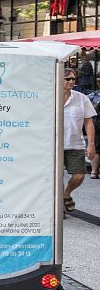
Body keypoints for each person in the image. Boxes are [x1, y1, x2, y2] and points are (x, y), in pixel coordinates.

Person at [62, 68, 95, 211]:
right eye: (67, 79)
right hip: (51, 145)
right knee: (52, 179)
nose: (71, 82)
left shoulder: (82, 98)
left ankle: (66, 194)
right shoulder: (49, 97)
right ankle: (58, 207)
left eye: (73, 79)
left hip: (74, 144)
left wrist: (91, 144)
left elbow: (88, 122)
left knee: (79, 176)